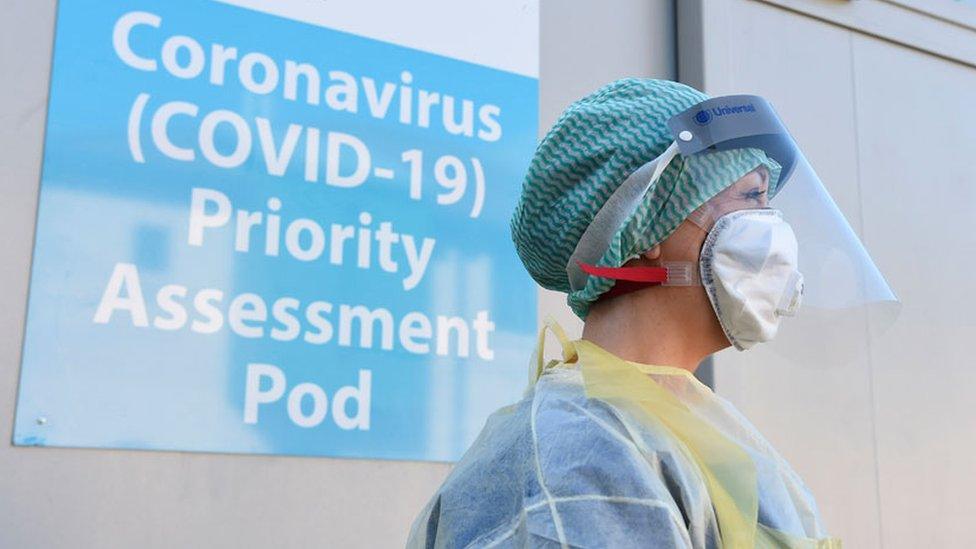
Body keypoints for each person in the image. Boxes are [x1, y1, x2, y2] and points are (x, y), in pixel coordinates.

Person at [407, 78, 891, 548]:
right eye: (750, 197)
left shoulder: (675, 431)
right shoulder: (579, 452)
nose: (774, 230)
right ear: (644, 226)